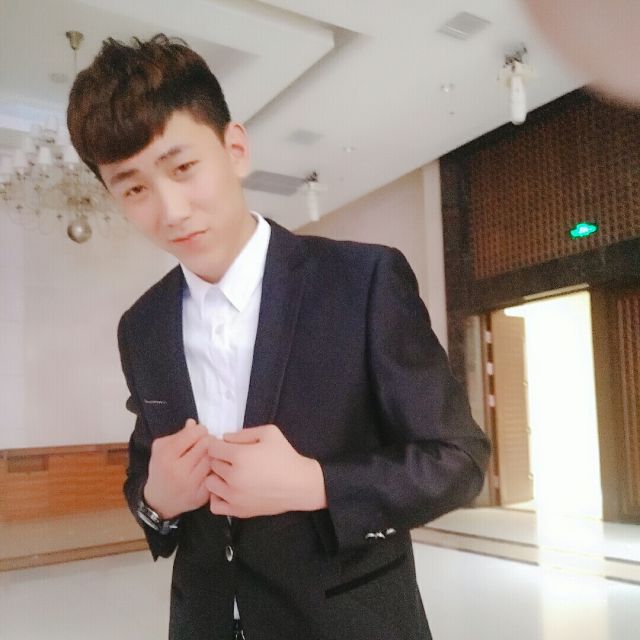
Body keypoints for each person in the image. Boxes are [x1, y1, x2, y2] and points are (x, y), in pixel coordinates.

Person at [67, 34, 491, 640]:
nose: (171, 210)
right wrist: (156, 499)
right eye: (133, 188)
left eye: (183, 168)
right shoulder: (142, 325)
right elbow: (147, 473)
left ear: (235, 149)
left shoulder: (364, 280)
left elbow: (459, 459)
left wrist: (315, 484)